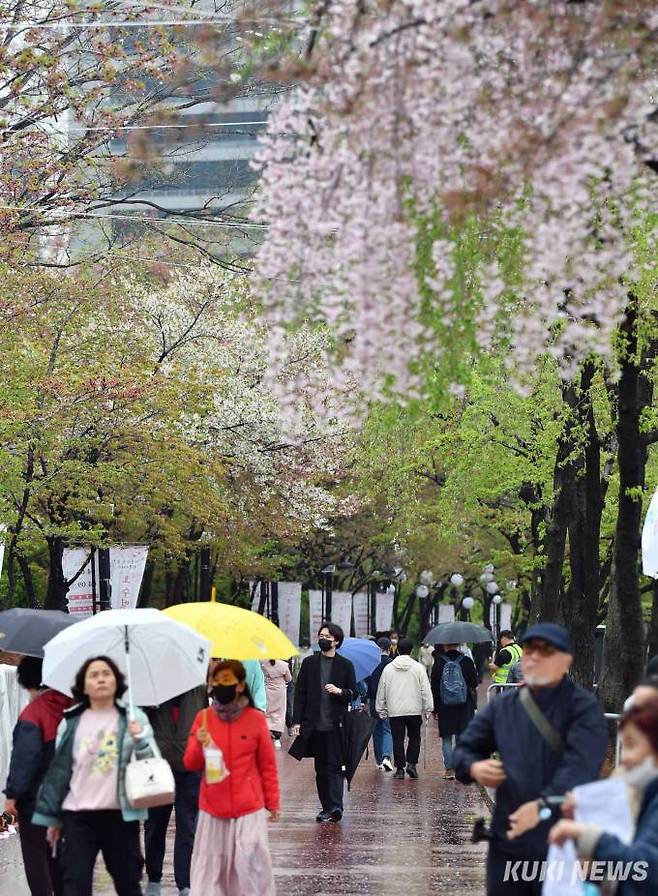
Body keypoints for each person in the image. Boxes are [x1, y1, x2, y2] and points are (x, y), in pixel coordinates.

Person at [453, 622, 608, 896]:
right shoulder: (505, 706)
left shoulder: (583, 708)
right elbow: (465, 749)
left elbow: (580, 768)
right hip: (508, 839)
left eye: (545, 651)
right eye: (530, 650)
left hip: (562, 840)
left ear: (565, 661)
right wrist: (475, 766)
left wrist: (541, 807)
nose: (534, 657)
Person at [32, 656, 158, 896]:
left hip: (120, 815)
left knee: (128, 882)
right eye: (94, 675)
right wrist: (53, 818)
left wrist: (140, 738)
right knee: (75, 884)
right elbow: (59, 771)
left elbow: (152, 762)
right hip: (77, 817)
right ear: (83, 685)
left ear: (116, 681)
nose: (100, 679)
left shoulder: (134, 718)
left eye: (106, 673)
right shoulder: (71, 721)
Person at [183, 660, 279, 896]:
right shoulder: (203, 718)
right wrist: (198, 743)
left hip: (249, 807)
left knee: (249, 864)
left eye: (226, 681)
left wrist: (273, 802)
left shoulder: (255, 719)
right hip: (213, 808)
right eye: (216, 681)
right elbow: (191, 763)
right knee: (212, 869)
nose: (221, 686)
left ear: (239, 686)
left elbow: (267, 766)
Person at [550, 703, 658, 895]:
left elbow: (649, 870)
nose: (624, 758)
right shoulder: (646, 796)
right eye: (624, 747)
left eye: (632, 745)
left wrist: (589, 836)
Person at [4, 656, 72, 896]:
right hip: (67, 796)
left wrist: (12, 795)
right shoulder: (70, 706)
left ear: (27, 682)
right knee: (57, 855)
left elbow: (25, 759)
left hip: (36, 800)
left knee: (36, 858)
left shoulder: (34, 714)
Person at [144, 685, 208, 896]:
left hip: (190, 766)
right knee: (154, 826)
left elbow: (207, 718)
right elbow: (138, 722)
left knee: (187, 826)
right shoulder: (150, 686)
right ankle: (154, 879)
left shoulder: (199, 687)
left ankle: (185, 883)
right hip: (158, 765)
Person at [290, 622, 357, 822]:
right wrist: (296, 721)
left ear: (336, 641)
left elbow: (353, 693)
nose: (323, 639)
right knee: (321, 769)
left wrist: (340, 691)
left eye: (327, 636)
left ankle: (336, 806)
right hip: (314, 726)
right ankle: (326, 807)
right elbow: (300, 694)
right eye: (321, 635)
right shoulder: (310, 663)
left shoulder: (345, 665)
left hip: (336, 726)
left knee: (335, 767)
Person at [375, 637, 433, 780]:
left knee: (397, 739)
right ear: (411, 650)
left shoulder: (388, 669)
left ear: (397, 650)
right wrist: (428, 708)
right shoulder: (418, 668)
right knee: (414, 737)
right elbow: (425, 689)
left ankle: (400, 769)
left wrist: (381, 709)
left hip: (395, 710)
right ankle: (412, 764)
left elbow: (381, 690)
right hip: (414, 709)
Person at [431, 642, 478, 780]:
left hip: (445, 705)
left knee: (446, 737)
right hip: (464, 705)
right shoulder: (467, 661)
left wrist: (435, 708)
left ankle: (449, 769)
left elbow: (434, 685)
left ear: (445, 646)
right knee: (462, 737)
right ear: (457, 645)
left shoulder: (439, 661)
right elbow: (474, 683)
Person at [365, 637, 394, 771]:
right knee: (388, 729)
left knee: (376, 729)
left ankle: (378, 761)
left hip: (373, 699)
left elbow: (365, 683)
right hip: (388, 699)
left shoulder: (371, 663)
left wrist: (364, 699)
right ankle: (386, 757)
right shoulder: (392, 663)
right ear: (389, 648)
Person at [261, 658, 292, 749]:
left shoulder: (263, 664)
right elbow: (289, 678)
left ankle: (269, 733)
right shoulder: (284, 665)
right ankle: (277, 738)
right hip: (280, 692)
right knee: (279, 713)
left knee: (269, 713)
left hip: (268, 690)